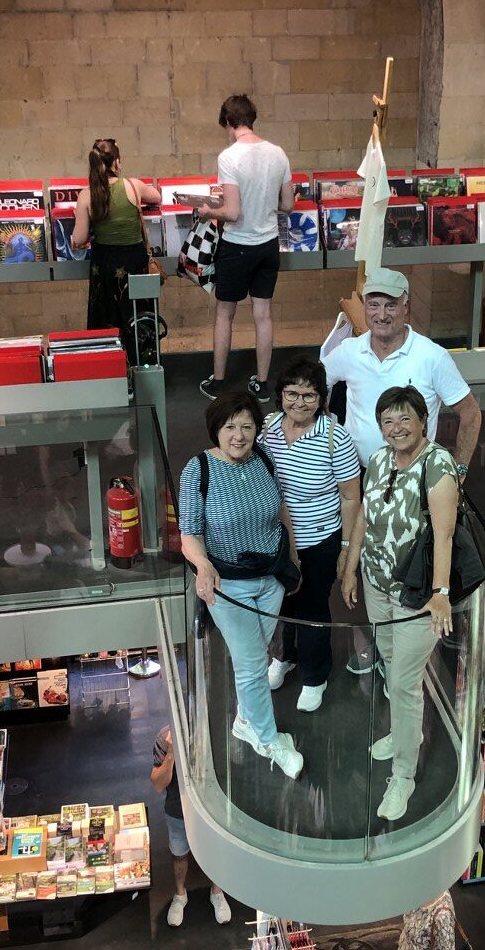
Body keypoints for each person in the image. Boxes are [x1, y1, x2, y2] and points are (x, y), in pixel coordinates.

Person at [322, 267, 481, 675]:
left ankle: (408, 655)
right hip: (361, 475)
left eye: (390, 305)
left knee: (413, 561)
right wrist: (321, 434)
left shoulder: (431, 356)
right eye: (373, 304)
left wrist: (457, 474)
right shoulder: (349, 352)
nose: (381, 314)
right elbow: (314, 385)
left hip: (415, 480)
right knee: (370, 559)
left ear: (406, 307)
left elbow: (470, 413)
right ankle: (382, 648)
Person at [342, 386, 459, 822]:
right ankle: (402, 732)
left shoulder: (438, 465)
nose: (397, 428)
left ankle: (404, 775)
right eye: (388, 421)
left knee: (406, 681)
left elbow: (444, 535)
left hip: (416, 592)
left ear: (424, 420)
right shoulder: (378, 460)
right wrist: (351, 568)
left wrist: (440, 594)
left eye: (405, 418)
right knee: (391, 664)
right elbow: (364, 518)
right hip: (377, 583)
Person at [178, 391, 304, 779]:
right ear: (216, 429)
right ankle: (268, 739)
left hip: (270, 578)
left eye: (247, 426)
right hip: (229, 585)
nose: (239, 435)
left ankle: (245, 720)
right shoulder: (198, 470)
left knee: (254, 655)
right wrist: (202, 565)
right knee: (251, 666)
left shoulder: (263, 458)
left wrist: (293, 557)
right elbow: (189, 534)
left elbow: (280, 509)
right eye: (230, 426)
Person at [259, 355, 361, 712]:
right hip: (275, 538)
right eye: (292, 393)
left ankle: (315, 675)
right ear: (281, 395)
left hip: (319, 540)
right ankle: (284, 657)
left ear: (321, 399)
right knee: (281, 601)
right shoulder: (267, 428)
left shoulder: (335, 438)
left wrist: (346, 548)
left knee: (313, 607)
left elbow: (351, 497)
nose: (299, 402)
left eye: (309, 395)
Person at [197, 94, 294, 403]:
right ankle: (262, 385)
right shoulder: (278, 153)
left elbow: (233, 212)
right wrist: (263, 202)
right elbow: (288, 204)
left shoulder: (229, 157)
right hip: (268, 245)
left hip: (237, 245)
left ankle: (218, 383)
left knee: (224, 314)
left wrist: (208, 211)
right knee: (263, 315)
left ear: (229, 122)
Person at [72, 139, 161, 365]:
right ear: (117, 162)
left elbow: (79, 238)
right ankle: (144, 368)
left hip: (104, 267)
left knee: (106, 320)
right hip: (134, 264)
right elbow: (156, 197)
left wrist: (75, 238)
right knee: (139, 317)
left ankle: (110, 370)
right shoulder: (133, 185)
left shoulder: (86, 195)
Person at [150, 725, 231, 928]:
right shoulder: (165, 736)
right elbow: (158, 785)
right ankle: (180, 894)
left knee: (216, 850)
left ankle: (217, 891)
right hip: (179, 810)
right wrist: (171, 753)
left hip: (214, 808)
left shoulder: (218, 727)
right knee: (179, 853)